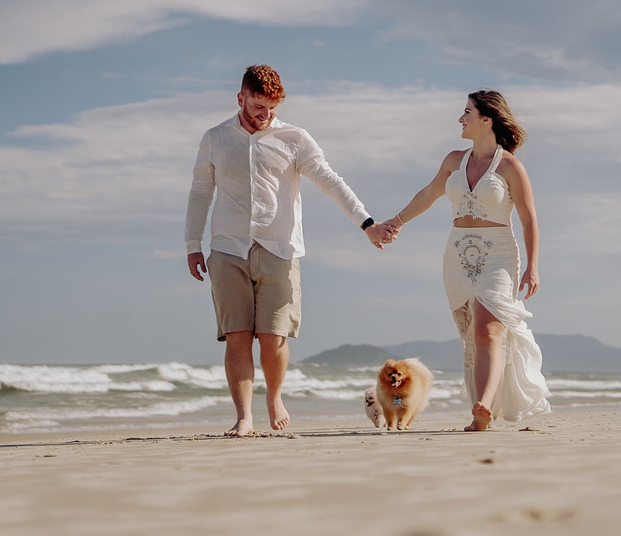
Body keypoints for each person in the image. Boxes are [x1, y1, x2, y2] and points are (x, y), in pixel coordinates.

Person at [186, 65, 397, 436]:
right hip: (227, 248)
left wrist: (367, 223)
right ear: (240, 98)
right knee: (236, 336)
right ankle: (244, 417)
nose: (264, 114)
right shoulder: (215, 138)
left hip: (279, 249)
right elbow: (201, 192)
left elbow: (330, 181)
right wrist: (192, 243)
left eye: (270, 107)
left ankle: (275, 397)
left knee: (274, 337)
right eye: (257, 106)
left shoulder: (294, 138)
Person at [385, 90, 551, 430]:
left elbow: (529, 218)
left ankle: (483, 406)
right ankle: (480, 416)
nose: (461, 119)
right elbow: (429, 194)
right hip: (457, 254)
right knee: (471, 337)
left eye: (467, 112)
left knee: (488, 330)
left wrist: (533, 266)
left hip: (499, 255)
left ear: (485, 119)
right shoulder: (453, 160)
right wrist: (395, 222)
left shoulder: (509, 166)